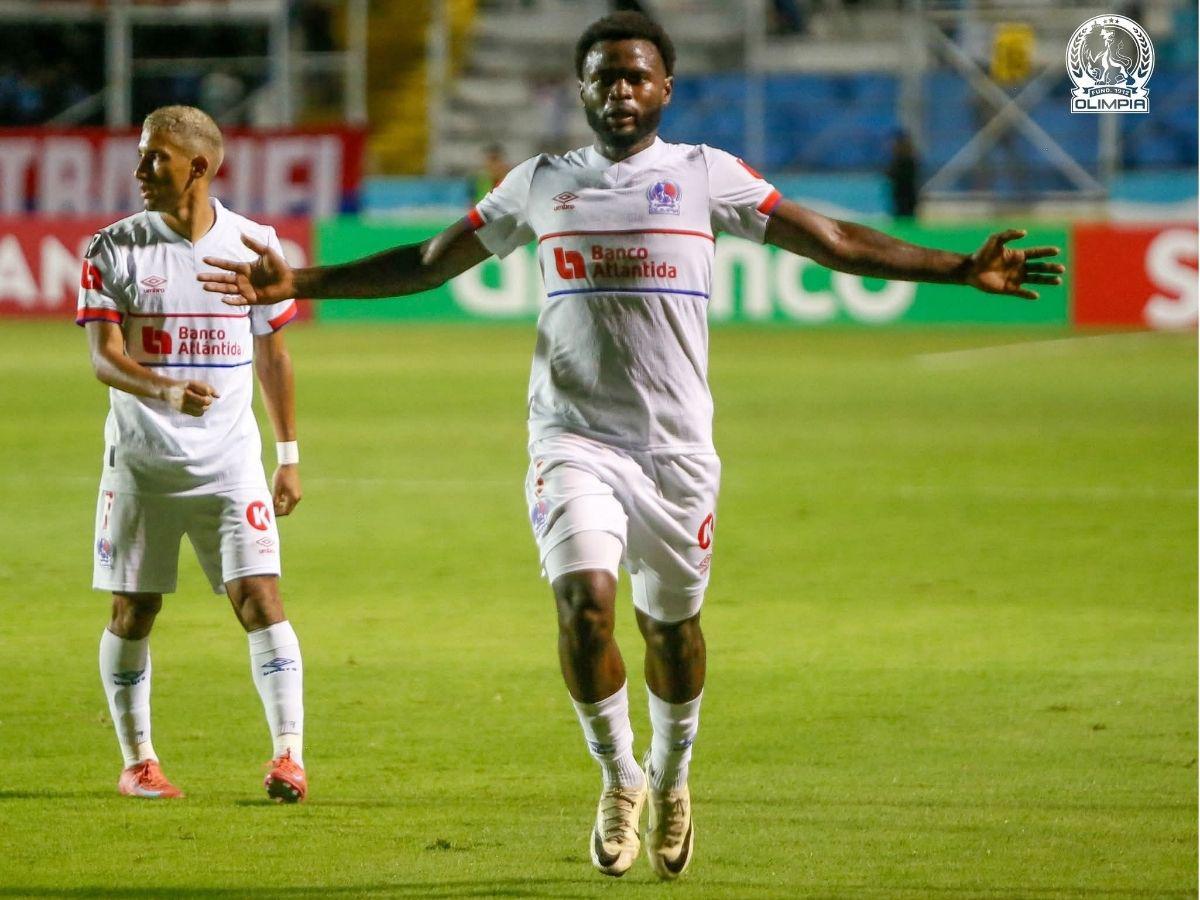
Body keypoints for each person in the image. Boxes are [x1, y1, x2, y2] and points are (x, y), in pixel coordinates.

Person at [198, 12, 1064, 877]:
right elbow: (431, 261)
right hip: (573, 440)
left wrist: (958, 267)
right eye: (604, 76)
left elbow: (831, 240)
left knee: (671, 631)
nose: (620, 90)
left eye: (636, 76)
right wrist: (302, 281)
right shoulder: (541, 183)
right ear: (580, 89)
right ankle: (619, 777)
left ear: (665, 89)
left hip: (677, 455)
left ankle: (673, 774)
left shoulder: (705, 175)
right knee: (584, 605)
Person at [77, 105, 308, 804]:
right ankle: (139, 762)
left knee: (260, 598)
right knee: (134, 609)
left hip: (231, 463)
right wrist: (167, 390)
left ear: (199, 166)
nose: (140, 170)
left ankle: (289, 757)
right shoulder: (113, 248)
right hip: (141, 464)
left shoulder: (253, 245)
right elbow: (104, 359)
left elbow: (273, 355)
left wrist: (288, 453)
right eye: (141, 156)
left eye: (156, 157)